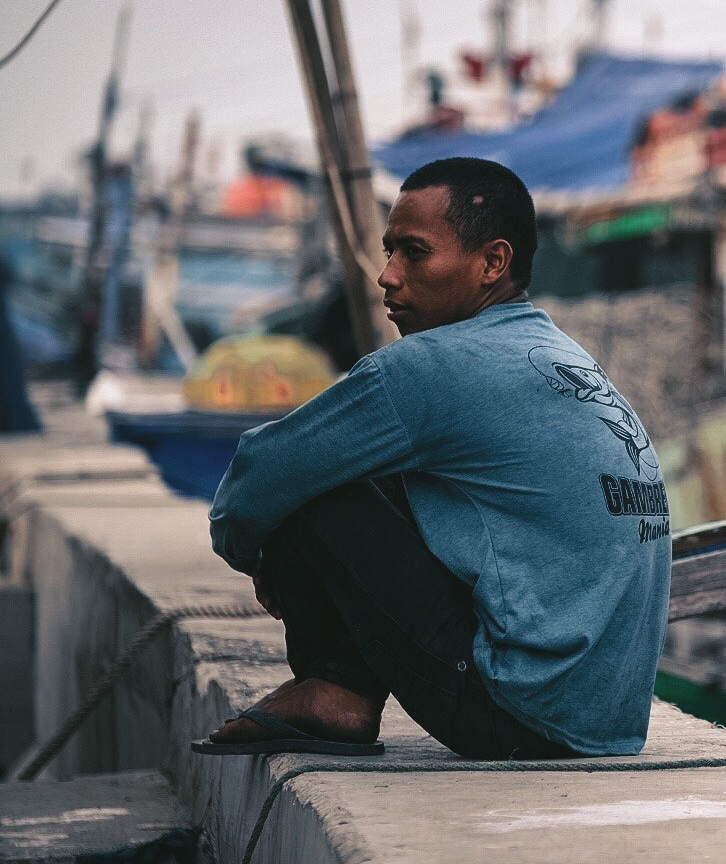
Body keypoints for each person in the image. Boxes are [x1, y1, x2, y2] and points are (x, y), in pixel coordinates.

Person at [196, 157, 671, 759]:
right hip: (608, 724)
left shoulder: (432, 367)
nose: (387, 276)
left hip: (516, 716)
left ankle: (336, 692)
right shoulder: (555, 353)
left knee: (314, 484)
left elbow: (258, 475)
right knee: (372, 465)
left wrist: (256, 554)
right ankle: (339, 687)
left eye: (414, 254)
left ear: (492, 264)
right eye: (389, 251)